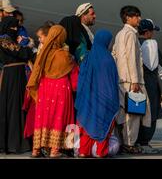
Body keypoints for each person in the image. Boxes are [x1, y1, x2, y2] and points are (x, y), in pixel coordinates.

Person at [26, 25, 78, 158]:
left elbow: (36, 72)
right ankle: (55, 150)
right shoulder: (65, 55)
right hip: (61, 88)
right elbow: (74, 78)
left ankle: (36, 149)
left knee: (43, 116)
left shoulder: (42, 54)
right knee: (59, 116)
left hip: (44, 88)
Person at [112, 6, 151, 154]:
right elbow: (131, 58)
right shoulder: (130, 34)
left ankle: (121, 142)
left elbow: (116, 55)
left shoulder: (120, 34)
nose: (139, 19)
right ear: (127, 18)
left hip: (122, 78)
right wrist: (135, 80)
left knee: (123, 113)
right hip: (131, 80)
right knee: (133, 113)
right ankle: (129, 143)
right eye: (136, 16)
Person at [75, 30, 119, 158]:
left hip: (88, 98)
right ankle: (101, 151)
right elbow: (113, 81)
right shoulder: (108, 59)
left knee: (88, 123)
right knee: (103, 124)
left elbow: (82, 78)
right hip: (105, 99)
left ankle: (84, 151)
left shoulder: (88, 57)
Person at [0, 17, 35, 154]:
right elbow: (21, 52)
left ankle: (18, 141)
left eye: (16, 27)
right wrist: (28, 46)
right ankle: (14, 143)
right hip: (13, 76)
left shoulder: (8, 39)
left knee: (18, 105)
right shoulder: (3, 39)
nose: (15, 30)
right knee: (13, 106)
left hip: (16, 75)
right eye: (13, 27)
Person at [136, 19, 162, 154]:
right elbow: (161, 59)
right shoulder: (151, 45)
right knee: (151, 112)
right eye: (152, 31)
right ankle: (145, 142)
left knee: (135, 111)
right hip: (150, 83)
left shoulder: (134, 42)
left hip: (136, 83)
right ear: (147, 32)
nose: (153, 34)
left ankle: (134, 141)